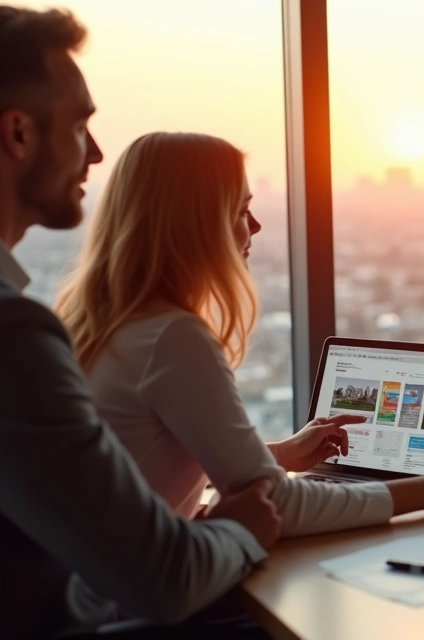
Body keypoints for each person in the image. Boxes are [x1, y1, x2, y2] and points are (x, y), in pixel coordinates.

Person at [55, 131, 424, 538]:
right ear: (196, 225)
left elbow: (156, 458)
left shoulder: (102, 322)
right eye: (241, 210)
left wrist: (276, 455)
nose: (255, 227)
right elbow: (281, 506)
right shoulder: (172, 338)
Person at [0, 7, 283, 637]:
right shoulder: (13, 335)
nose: (96, 153)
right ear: (19, 134)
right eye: (80, 125)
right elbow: (166, 580)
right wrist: (242, 529)